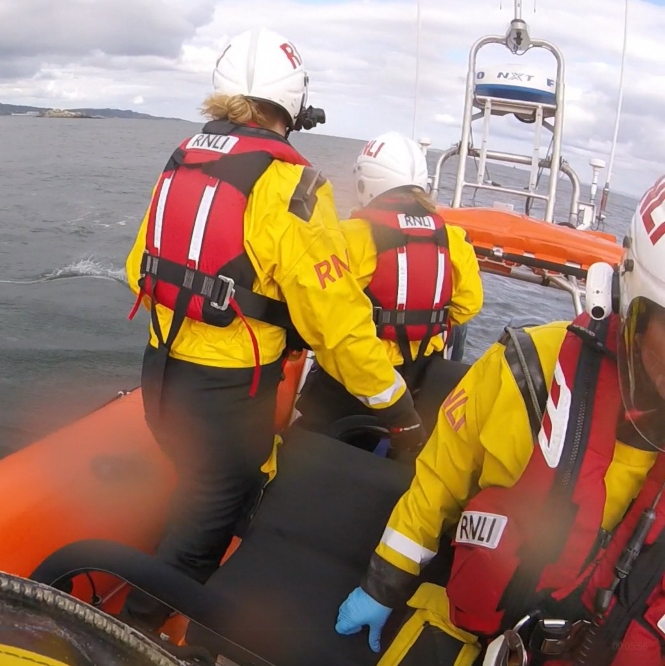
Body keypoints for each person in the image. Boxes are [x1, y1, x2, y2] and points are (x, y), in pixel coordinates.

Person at [120, 27, 428, 632]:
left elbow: (140, 267)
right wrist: (398, 407)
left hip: (159, 375)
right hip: (227, 398)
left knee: (196, 502)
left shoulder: (184, 157)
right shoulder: (296, 184)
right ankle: (121, 636)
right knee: (200, 536)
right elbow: (335, 323)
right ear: (293, 103)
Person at [333, 176, 665, 665]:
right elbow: (441, 478)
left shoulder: (356, 233)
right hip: (480, 632)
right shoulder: (524, 369)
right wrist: (383, 584)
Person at [294, 131, 483, 440]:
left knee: (308, 443)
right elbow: (467, 306)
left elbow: (320, 312)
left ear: (365, 182)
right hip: (419, 382)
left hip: (348, 386)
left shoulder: (347, 237)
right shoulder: (454, 240)